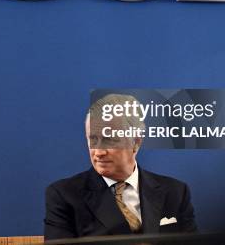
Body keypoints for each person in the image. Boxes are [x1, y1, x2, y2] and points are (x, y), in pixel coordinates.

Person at [44, 94, 197, 240]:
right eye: (93, 139)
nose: (98, 152)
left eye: (109, 140)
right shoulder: (64, 195)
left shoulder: (176, 192)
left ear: (136, 142)